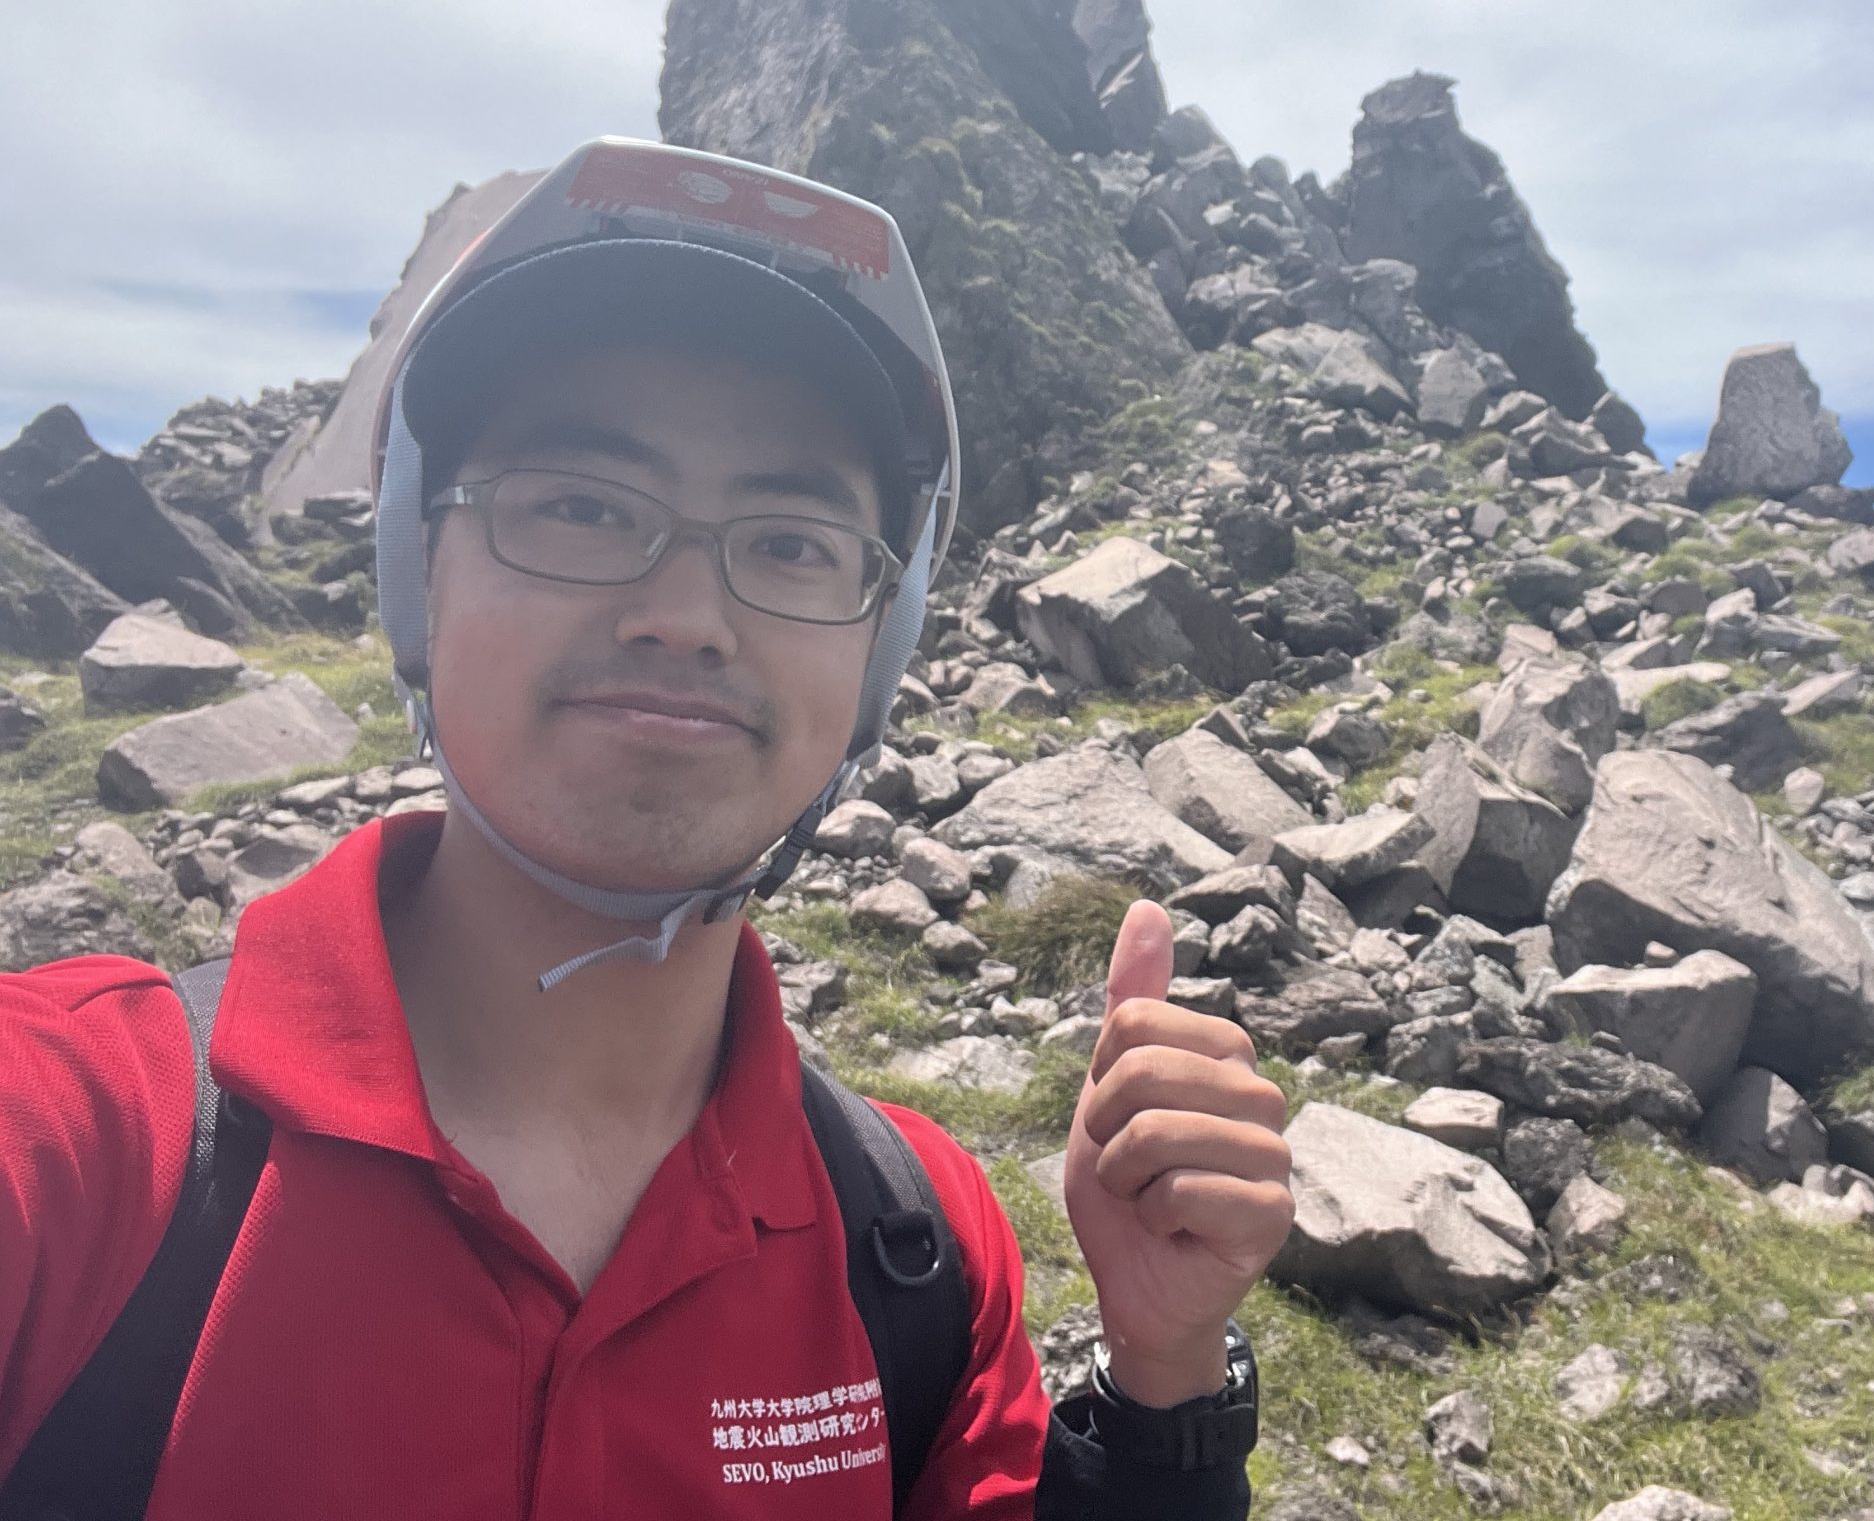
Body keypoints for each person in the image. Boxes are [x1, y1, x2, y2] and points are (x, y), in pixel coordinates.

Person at [0, 139, 1294, 1518]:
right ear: (420, 575)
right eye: (579, 506)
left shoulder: (921, 1250)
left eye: (791, 542)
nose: (683, 615)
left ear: (876, 650)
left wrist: (1166, 1378)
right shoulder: (72, 1135)